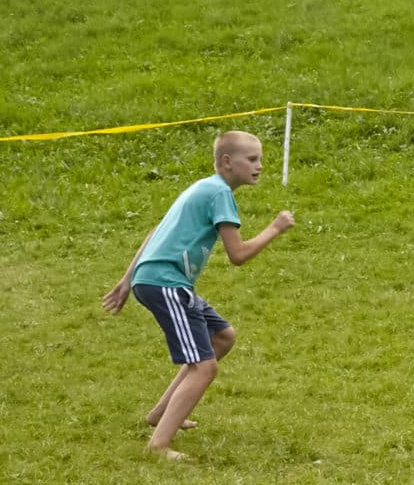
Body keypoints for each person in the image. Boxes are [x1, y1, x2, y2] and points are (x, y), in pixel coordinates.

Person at [101, 130, 294, 461]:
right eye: (252, 159)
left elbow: (155, 232)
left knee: (223, 336)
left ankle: (162, 414)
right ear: (226, 161)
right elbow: (238, 255)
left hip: (160, 280)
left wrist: (128, 280)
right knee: (204, 367)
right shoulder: (219, 193)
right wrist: (274, 228)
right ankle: (158, 446)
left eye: (260, 159)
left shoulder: (202, 187)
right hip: (166, 283)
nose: (259, 166)